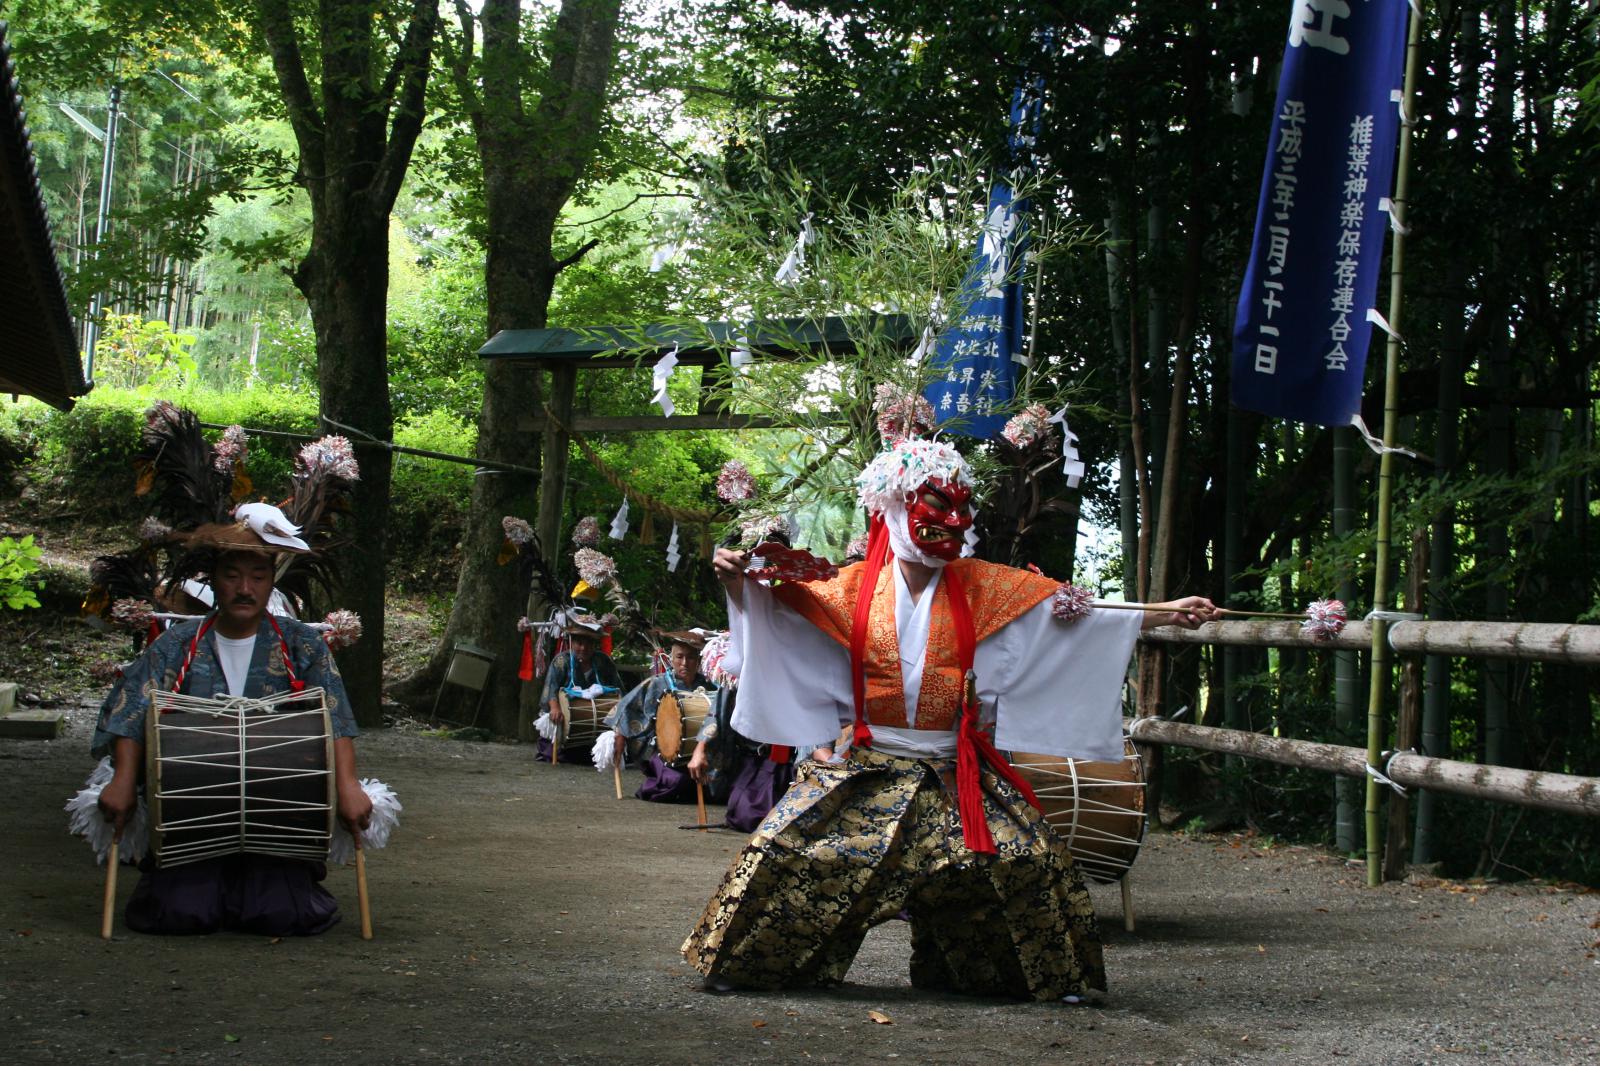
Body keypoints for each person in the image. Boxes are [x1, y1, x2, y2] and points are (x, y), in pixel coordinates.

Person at [681, 437, 1218, 1000]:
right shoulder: (847, 588)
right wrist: (736, 581)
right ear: (891, 505)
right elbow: (776, 615)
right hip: (866, 769)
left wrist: (1163, 613)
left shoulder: (986, 586)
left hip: (954, 776)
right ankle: (748, 965)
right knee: (794, 851)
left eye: (963, 507)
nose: (955, 521)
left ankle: (1029, 977)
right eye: (938, 504)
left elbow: (1075, 614)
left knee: (1026, 860)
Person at [92, 522, 371, 936]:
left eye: (258, 578)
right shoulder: (178, 644)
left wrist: (348, 786)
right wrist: (122, 780)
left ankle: (258, 885)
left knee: (279, 915)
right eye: (232, 576)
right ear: (214, 582)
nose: (245, 588)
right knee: (182, 915)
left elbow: (334, 717)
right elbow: (133, 713)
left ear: (271, 583)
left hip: (274, 813)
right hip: (193, 815)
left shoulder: (302, 645)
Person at [604, 631, 716, 802]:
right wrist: (620, 735)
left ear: (699, 660)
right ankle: (652, 785)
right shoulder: (657, 682)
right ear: (671, 658)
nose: (685, 663)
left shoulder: (707, 686)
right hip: (663, 752)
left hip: (699, 753)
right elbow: (626, 707)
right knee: (678, 782)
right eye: (679, 657)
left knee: (719, 782)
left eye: (691, 658)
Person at [539, 622, 623, 762]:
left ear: (595, 644)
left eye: (588, 644)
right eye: (579, 643)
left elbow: (618, 690)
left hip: (599, 721)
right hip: (565, 720)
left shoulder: (603, 661)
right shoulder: (561, 661)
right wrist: (555, 708)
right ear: (571, 642)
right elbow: (551, 687)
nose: (583, 648)